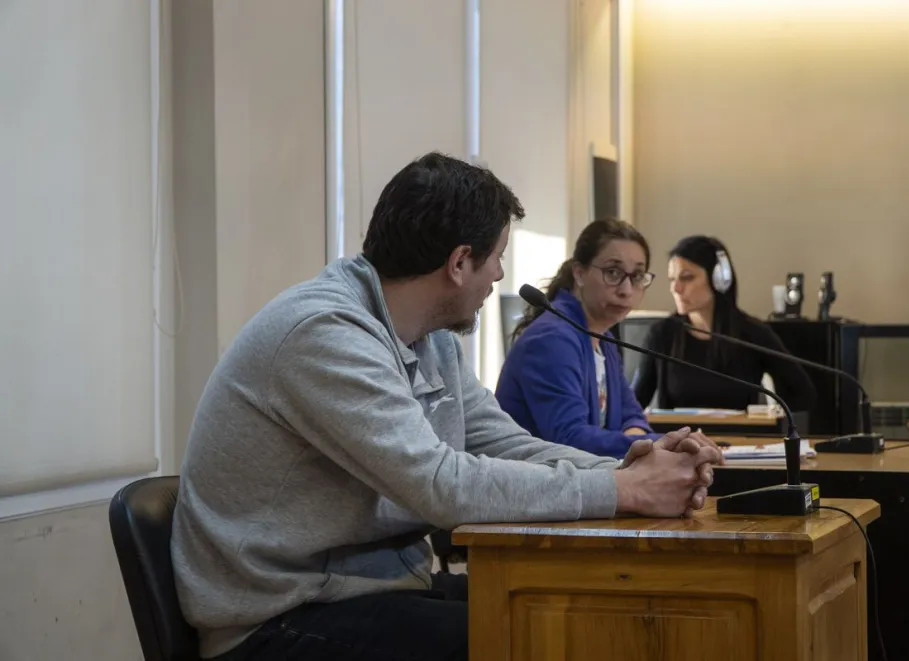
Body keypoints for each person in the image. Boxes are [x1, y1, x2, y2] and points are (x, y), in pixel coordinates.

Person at [170, 153, 723, 661]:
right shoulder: (325, 334)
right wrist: (625, 490)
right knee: (542, 641)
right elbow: (440, 485)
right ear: (460, 262)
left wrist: (631, 466)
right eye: (497, 259)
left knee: (584, 613)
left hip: (371, 589)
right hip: (277, 620)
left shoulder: (428, 335)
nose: (501, 277)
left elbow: (500, 440)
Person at [495, 219, 661, 459]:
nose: (626, 290)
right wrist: (657, 444)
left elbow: (631, 415)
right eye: (613, 272)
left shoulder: (602, 338)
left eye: (636, 276)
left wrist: (636, 438)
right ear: (580, 273)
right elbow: (570, 438)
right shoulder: (552, 339)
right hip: (536, 488)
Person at [633, 235, 817, 413]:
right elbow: (633, 406)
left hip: (739, 441)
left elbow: (804, 394)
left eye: (687, 277)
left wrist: (769, 418)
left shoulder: (752, 334)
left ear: (719, 280)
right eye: (672, 279)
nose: (675, 288)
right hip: (681, 442)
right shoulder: (662, 334)